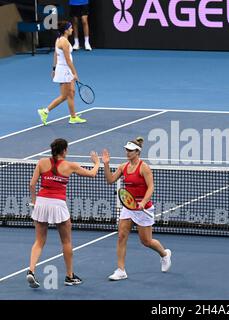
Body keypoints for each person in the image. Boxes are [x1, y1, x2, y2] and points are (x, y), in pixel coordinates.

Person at [27, 138, 100, 288]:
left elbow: (32, 184)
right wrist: (97, 162)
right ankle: (69, 276)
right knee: (66, 241)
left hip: (41, 203)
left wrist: (34, 202)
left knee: (39, 241)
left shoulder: (41, 162)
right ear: (64, 150)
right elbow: (92, 174)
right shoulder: (70, 165)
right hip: (58, 205)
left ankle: (31, 270)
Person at [102, 137, 172, 281]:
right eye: (126, 150)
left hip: (143, 208)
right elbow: (110, 180)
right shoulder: (123, 167)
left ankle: (164, 254)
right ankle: (121, 270)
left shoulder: (144, 167)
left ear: (137, 152)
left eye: (130, 150)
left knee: (146, 241)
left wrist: (143, 202)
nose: (127, 152)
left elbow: (151, 186)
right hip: (129, 206)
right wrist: (106, 165)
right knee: (121, 236)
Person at [37, 21, 87, 125]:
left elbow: (55, 55)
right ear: (66, 30)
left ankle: (73, 117)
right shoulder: (64, 42)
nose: (72, 29)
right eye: (71, 28)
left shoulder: (59, 39)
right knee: (65, 96)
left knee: (72, 93)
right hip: (65, 70)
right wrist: (75, 73)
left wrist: (54, 69)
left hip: (64, 69)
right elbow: (68, 60)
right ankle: (45, 111)